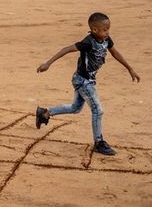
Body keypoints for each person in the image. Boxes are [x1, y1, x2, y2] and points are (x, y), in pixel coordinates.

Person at [34, 12, 140, 156]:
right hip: (83, 81)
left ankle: (45, 113)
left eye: (108, 29)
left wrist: (130, 69)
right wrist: (48, 63)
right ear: (95, 30)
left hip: (86, 80)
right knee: (98, 110)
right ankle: (99, 142)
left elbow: (115, 53)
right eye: (105, 30)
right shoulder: (88, 42)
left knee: (75, 108)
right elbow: (67, 49)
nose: (108, 32)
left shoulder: (106, 40)